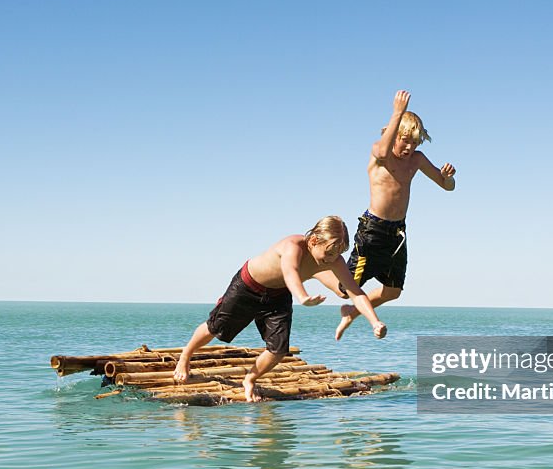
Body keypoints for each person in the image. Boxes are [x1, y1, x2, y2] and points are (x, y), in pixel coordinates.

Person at [172, 215, 388, 402]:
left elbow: (355, 292)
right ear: (313, 240)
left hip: (277, 296)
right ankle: (185, 357)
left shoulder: (335, 260)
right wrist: (302, 297)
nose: (331, 260)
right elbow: (290, 272)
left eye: (337, 254)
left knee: (278, 350)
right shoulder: (292, 246)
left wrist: (374, 321)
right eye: (329, 253)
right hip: (248, 286)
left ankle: (250, 379)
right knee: (215, 327)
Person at [314, 90, 456, 339]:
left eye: (414, 142)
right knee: (345, 289)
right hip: (373, 231)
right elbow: (381, 151)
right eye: (404, 140)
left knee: (393, 291)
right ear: (394, 135)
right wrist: (397, 113)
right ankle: (317, 271)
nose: (409, 147)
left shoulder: (417, 160)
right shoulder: (380, 155)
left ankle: (351, 312)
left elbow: (447, 187)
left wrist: (448, 178)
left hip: (398, 234)